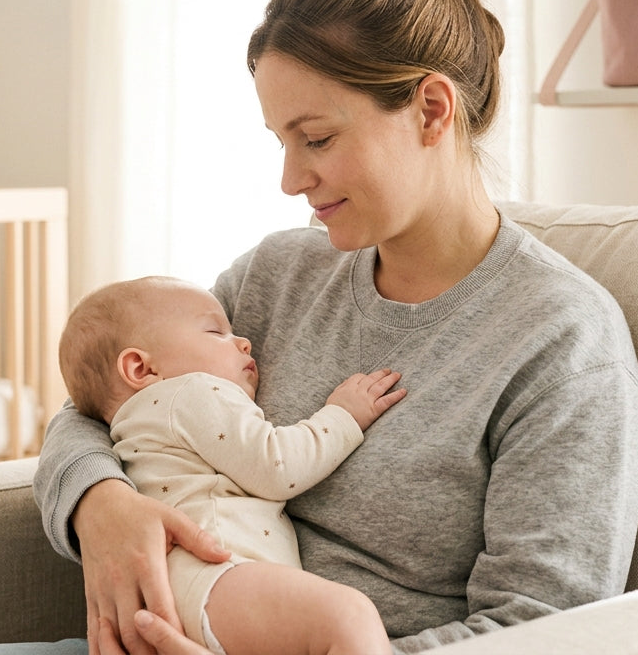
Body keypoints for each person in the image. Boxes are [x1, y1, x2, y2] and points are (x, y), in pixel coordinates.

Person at [0, 0, 638, 655]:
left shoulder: (559, 342)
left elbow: (544, 629)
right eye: (280, 141)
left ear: (430, 109)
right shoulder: (276, 276)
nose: (291, 179)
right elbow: (100, 401)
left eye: (315, 137)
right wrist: (99, 502)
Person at [59, 275, 404, 655]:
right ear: (141, 369)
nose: (243, 342)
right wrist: (342, 415)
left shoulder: (135, 422)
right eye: (215, 331)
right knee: (349, 617)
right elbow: (277, 467)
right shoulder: (193, 390)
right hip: (216, 575)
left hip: (174, 595)